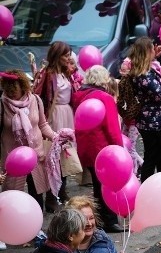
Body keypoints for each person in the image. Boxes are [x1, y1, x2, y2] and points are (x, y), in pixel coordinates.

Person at [71, 66, 123, 231]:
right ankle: (109, 221)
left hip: (86, 148)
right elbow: (112, 128)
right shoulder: (104, 97)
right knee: (106, 185)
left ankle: (99, 219)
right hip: (102, 149)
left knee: (96, 183)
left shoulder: (79, 95)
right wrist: (120, 150)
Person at [0, 70, 56, 211]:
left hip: (36, 156)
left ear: (23, 86)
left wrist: (56, 137)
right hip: (14, 161)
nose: (10, 93)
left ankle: (37, 228)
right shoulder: (2, 105)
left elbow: (43, 125)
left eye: (14, 89)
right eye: (7, 89)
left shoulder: (36, 100)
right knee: (12, 198)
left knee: (37, 196)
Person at [34, 41, 80, 207]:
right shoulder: (48, 74)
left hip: (68, 113)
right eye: (65, 55)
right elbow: (39, 95)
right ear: (56, 56)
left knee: (66, 153)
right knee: (52, 154)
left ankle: (62, 190)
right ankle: (52, 195)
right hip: (54, 115)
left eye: (69, 54)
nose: (69, 58)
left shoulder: (66, 73)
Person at [124, 38, 161, 181]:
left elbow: (158, 74)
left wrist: (157, 57)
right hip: (154, 123)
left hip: (156, 120)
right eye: (152, 49)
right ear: (146, 53)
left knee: (159, 155)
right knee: (157, 156)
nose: (154, 51)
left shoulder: (144, 70)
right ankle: (156, 184)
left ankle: (160, 183)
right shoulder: (143, 75)